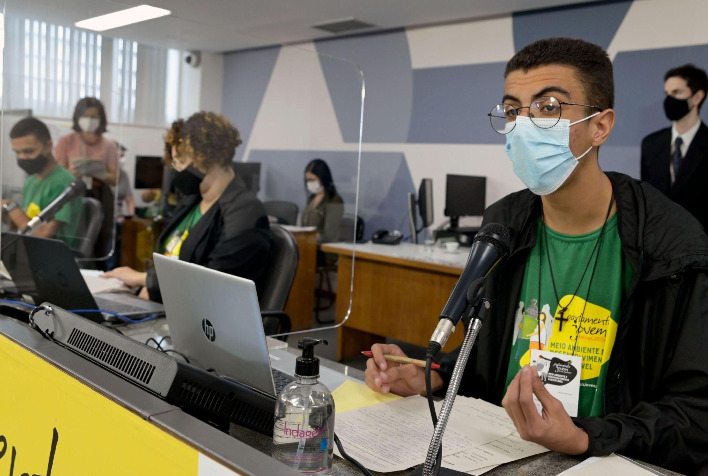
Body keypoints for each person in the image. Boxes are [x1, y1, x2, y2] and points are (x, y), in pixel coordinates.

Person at [364, 38, 708, 474]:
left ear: (600, 126)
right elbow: (489, 366)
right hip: (500, 456)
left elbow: (695, 416)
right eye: (512, 111)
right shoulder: (504, 225)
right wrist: (433, 376)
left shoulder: (672, 244)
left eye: (548, 107)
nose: (524, 125)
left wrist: (584, 436)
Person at [102, 112, 274, 303]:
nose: (178, 170)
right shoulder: (191, 203)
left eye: (182, 162)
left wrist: (146, 280)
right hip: (168, 305)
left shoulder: (244, 211)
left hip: (205, 318)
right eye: (175, 163)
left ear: (210, 158)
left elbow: (216, 281)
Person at [641, 64, 708, 232]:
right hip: (657, 246)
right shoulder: (651, 144)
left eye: (676, 93)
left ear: (697, 97)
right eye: (667, 94)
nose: (669, 100)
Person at [54, 97, 119, 261]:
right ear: (77, 117)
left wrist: (98, 171)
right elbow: (58, 173)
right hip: (74, 194)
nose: (89, 120)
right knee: (74, 238)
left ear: (101, 119)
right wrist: (73, 172)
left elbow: (115, 178)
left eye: (94, 116)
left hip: (100, 193)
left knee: (99, 241)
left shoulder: (109, 145)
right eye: (86, 116)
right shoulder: (66, 141)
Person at [4, 117, 82, 247]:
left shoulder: (63, 182)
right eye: (17, 152)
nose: (22, 157)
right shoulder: (31, 181)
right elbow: (25, 225)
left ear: (48, 146)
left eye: (28, 151)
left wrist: (12, 208)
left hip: (54, 258)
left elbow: (42, 235)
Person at [301, 159, 344, 244]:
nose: (309, 183)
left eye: (312, 180)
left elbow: (330, 234)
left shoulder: (334, 200)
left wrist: (310, 238)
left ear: (322, 178)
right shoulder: (311, 199)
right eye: (307, 180)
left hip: (323, 250)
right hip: (308, 246)